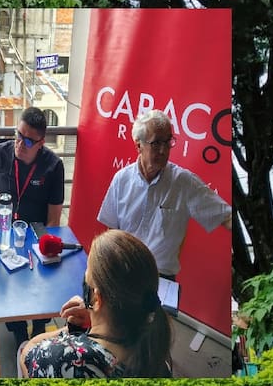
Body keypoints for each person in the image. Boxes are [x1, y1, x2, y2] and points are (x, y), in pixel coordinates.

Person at [98, 109, 232, 279]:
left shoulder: (183, 182)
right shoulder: (122, 179)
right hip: (126, 272)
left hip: (161, 276)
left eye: (168, 142)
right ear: (138, 145)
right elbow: (111, 231)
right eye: (156, 143)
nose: (163, 150)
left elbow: (226, 217)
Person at [20, 230, 172, 378]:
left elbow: (28, 353)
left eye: (87, 274)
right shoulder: (156, 358)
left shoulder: (63, 360)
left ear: (97, 299)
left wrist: (72, 330)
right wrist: (97, 322)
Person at [0, 107, 66, 343]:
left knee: (41, 282)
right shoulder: (1, 153)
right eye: (18, 135)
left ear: (41, 143)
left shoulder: (53, 166)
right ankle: (18, 330)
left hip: (36, 234)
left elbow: (53, 220)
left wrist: (41, 249)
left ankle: (38, 328)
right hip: (4, 232)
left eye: (28, 141)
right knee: (6, 284)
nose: (19, 143)